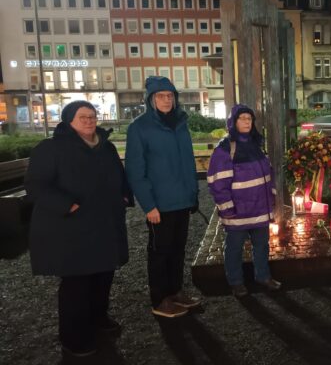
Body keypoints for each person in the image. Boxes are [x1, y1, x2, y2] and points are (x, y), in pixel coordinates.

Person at [26, 101, 131, 357]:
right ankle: (73, 337)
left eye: (92, 116)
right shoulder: (52, 148)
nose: (89, 121)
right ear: (69, 121)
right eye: (82, 117)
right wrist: (66, 205)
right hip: (72, 230)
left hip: (104, 225)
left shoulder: (105, 147)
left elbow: (119, 174)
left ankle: (98, 319)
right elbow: (36, 186)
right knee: (77, 284)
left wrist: (125, 195)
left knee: (103, 276)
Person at [126, 76, 202, 318]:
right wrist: (148, 205)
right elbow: (135, 171)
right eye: (160, 96)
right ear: (151, 99)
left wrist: (193, 194)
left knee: (178, 249)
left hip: (182, 200)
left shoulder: (181, 124)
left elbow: (188, 163)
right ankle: (160, 299)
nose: (166, 100)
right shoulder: (139, 127)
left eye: (170, 95)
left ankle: (175, 291)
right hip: (159, 204)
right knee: (160, 252)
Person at [207, 104, 281, 297]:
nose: (247, 122)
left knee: (262, 245)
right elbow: (218, 181)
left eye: (249, 118)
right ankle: (236, 282)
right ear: (233, 122)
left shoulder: (255, 144)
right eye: (242, 118)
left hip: (259, 209)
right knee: (234, 248)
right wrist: (227, 208)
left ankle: (263, 276)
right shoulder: (225, 149)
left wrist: (271, 195)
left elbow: (268, 173)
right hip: (238, 211)